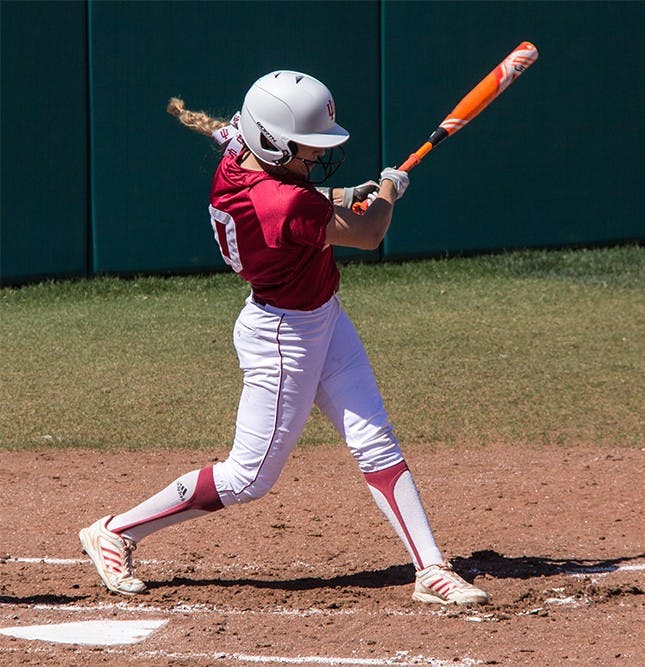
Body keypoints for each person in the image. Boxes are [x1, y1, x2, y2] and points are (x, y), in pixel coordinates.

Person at [78, 70, 488, 606]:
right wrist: (389, 188)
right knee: (247, 478)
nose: (315, 157)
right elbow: (367, 233)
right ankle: (116, 531)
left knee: (374, 439)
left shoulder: (239, 151)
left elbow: (295, 191)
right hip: (282, 335)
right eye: (305, 149)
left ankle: (430, 569)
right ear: (271, 141)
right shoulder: (284, 204)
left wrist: (340, 192)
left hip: (322, 315)